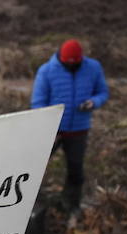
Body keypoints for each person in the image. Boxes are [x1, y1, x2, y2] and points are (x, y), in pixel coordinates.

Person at [30, 39, 108, 213]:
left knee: (76, 170)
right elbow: (38, 103)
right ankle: (32, 204)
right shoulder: (47, 71)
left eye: (76, 64)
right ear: (61, 58)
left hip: (79, 130)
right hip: (53, 132)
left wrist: (93, 102)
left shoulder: (93, 68)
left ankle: (71, 205)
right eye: (68, 64)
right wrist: (49, 128)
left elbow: (103, 92)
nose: (72, 67)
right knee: (35, 167)